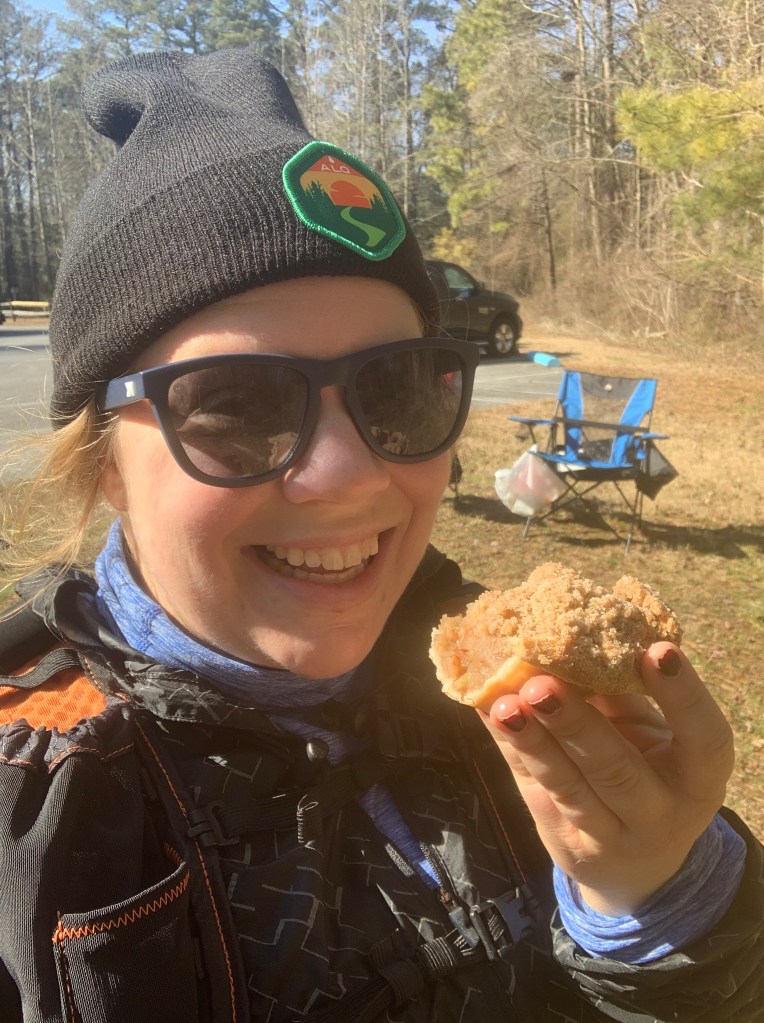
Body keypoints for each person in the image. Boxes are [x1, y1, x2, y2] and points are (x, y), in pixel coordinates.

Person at [0, 47, 761, 1023]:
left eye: (395, 388)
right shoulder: (38, 804)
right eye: (232, 405)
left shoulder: (520, 710)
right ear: (102, 458)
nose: (349, 474)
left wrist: (649, 897)